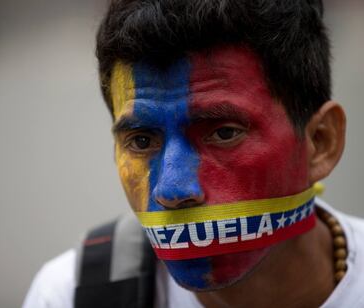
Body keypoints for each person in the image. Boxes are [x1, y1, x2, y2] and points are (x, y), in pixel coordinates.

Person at [23, 0, 364, 307]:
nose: (172, 190)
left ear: (321, 142)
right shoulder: (70, 295)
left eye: (224, 133)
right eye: (141, 141)